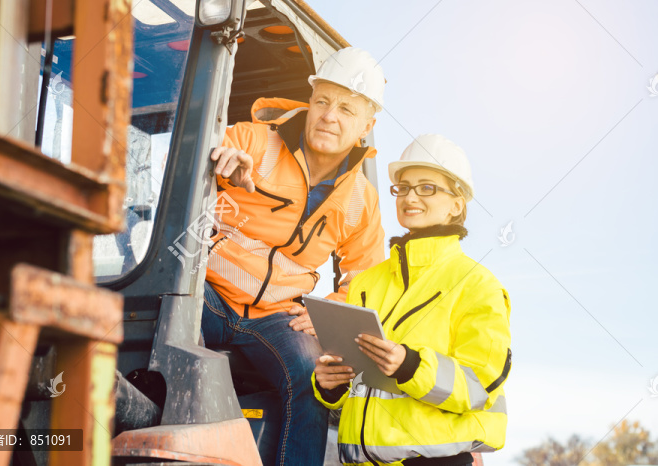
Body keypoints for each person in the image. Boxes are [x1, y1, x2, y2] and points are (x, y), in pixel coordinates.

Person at [200, 47, 387, 465]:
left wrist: (332, 310)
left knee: (312, 376)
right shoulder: (252, 140)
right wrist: (220, 173)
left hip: (276, 316)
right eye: (322, 101)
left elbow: (369, 275)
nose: (329, 116)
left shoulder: (362, 199)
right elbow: (185, 168)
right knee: (156, 331)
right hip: (208, 296)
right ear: (310, 98)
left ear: (367, 124)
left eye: (346, 109)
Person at [312, 134, 512, 466]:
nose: (410, 197)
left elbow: (480, 386)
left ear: (457, 204)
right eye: (403, 187)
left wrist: (411, 365)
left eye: (427, 188)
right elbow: (360, 387)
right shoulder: (366, 283)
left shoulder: (478, 286)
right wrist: (331, 385)